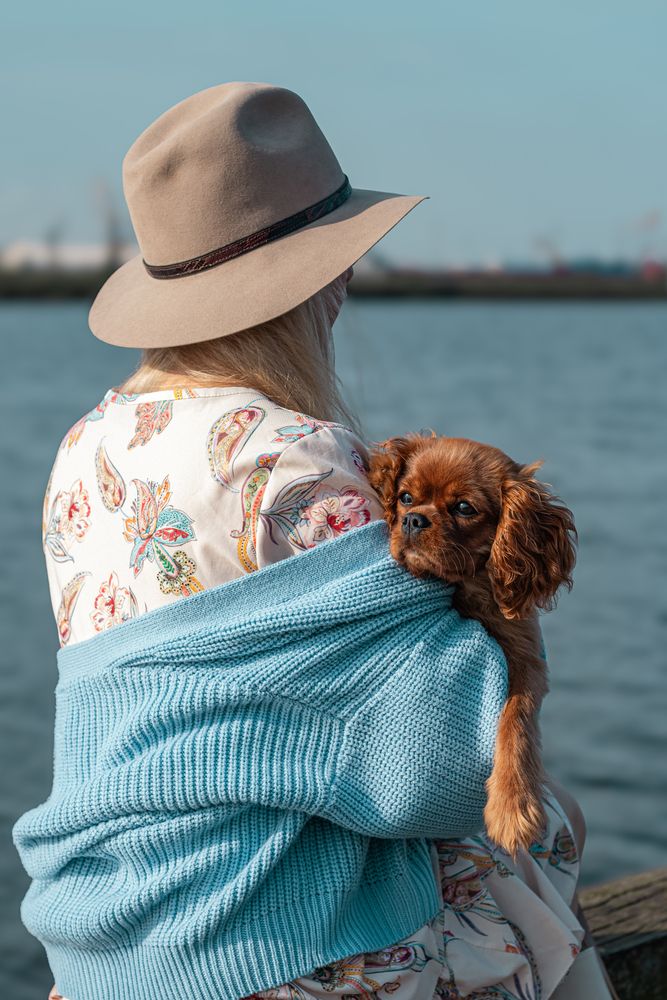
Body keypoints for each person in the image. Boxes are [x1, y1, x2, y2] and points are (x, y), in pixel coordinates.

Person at [38, 82, 616, 999]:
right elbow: (438, 773)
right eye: (339, 257)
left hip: (110, 931)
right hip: (268, 936)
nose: (347, 280)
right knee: (546, 834)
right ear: (308, 278)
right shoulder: (299, 459)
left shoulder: (84, 448)